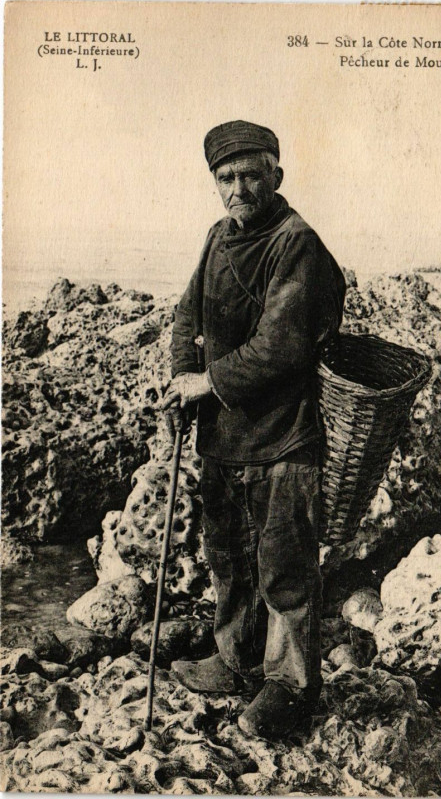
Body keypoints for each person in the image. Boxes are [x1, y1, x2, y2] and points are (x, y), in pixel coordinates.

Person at [164, 120, 346, 741]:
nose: (238, 188)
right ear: (215, 185)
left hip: (285, 436)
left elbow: (283, 345)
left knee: (286, 568)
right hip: (223, 435)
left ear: (277, 176)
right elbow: (186, 315)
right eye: (226, 178)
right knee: (228, 556)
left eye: (250, 175)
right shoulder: (217, 238)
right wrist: (180, 378)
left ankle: (291, 686)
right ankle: (234, 661)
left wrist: (206, 382)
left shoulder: (297, 242)